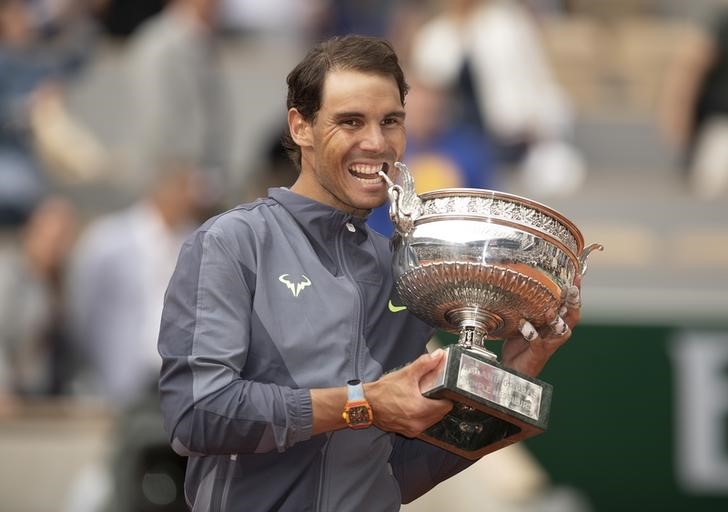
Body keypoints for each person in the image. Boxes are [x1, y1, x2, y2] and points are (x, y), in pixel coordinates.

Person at [158, 34, 581, 511]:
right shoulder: (233, 244)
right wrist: (362, 404)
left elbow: (398, 473)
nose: (376, 142)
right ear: (301, 126)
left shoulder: (405, 268)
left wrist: (514, 374)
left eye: (391, 121)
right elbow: (195, 413)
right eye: (350, 121)